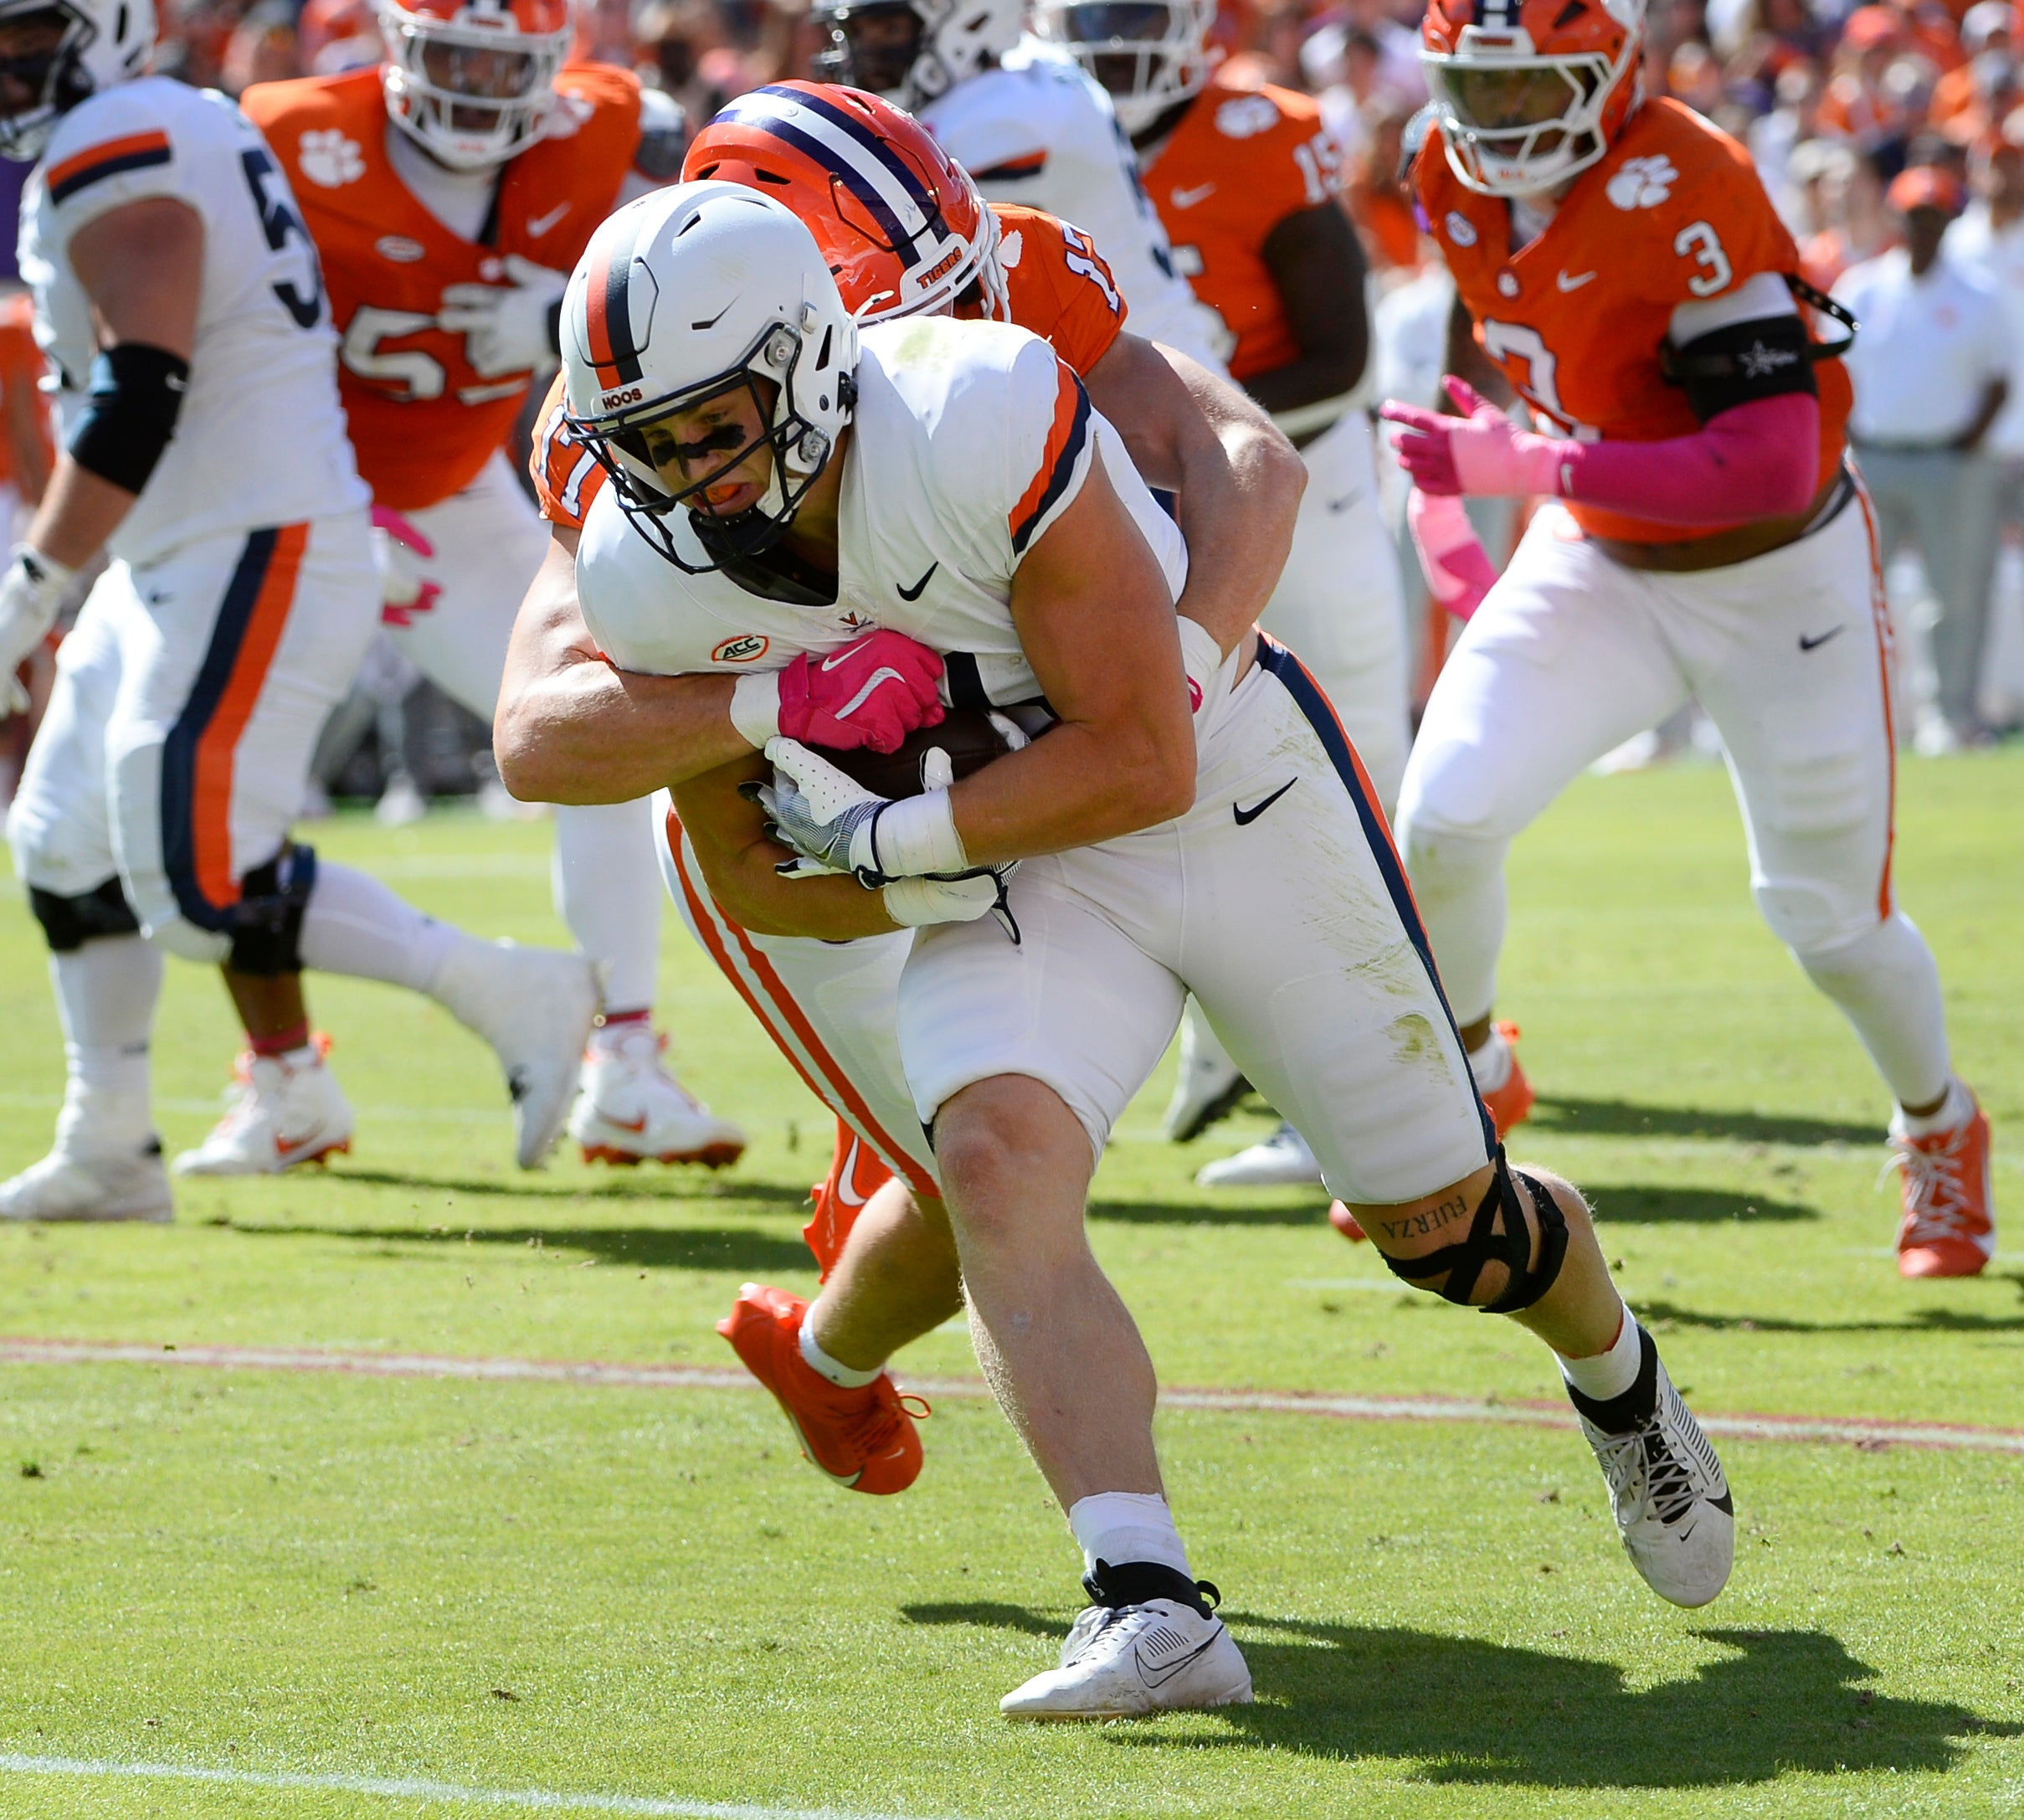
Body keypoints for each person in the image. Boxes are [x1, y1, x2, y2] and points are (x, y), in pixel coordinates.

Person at [537, 177, 1735, 1718]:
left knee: (1449, 1227)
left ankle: (1618, 1376)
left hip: (1214, 786)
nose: (690, 479)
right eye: (646, 444)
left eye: (715, 427)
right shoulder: (650, 569)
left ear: (813, 363)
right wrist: (842, 809)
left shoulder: (972, 407)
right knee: (988, 1155)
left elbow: (1141, 756)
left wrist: (897, 830)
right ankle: (1147, 1596)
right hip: (1005, 860)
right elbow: (751, 876)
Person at [511, 79, 1300, 1481]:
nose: (940, 338)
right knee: (982, 1166)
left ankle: (818, 1347)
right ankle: (877, 1383)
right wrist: (780, 691)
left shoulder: (1009, 265)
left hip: (1014, 751)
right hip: (801, 818)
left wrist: (1173, 676)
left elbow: (1241, 456)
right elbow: (540, 731)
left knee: (1003, 1145)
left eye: (958, 291)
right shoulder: (636, 409)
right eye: (902, 311)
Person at [1380, 0, 1996, 1279]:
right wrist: (1451, 481)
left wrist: (1528, 459)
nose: (1493, 125)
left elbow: (1765, 463)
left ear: (1609, 78)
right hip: (1597, 548)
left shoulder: (1689, 178)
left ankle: (1937, 1123)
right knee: (1439, 817)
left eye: (1525, 92)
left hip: (1774, 573)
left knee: (1825, 917)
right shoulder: (1439, 164)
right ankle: (1476, 1080)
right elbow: (1489, 330)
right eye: (1471, 91)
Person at [0, 0, 601, 1220]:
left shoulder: (119, 132)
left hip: (248, 540)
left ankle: (507, 989)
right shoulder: (151, 120)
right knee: (61, 839)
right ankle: (109, 1139)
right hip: (189, 544)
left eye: (27, 34)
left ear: (104, 30)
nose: (7, 61)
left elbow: (137, 390)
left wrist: (29, 588)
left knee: (200, 879)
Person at [235, 0, 743, 1172]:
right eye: (447, 53)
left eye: (497, 61)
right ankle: (280, 1079)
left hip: (453, 497)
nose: (470, 84)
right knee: (224, 802)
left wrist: (573, 312)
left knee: (589, 735)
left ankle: (624, 1062)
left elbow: (707, 259)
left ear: (548, 67)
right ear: (393, 47)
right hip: (296, 503)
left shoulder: (606, 125)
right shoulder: (288, 132)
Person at [1033, 0, 1415, 1175]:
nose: (1112, 31)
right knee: (1179, 764)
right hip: (1145, 504)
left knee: (1354, 783)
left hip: (1289, 480)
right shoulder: (1033, 121)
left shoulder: (1261, 127)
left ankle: (1391, 1073)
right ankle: (1235, 1036)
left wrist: (1187, 431)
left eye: (1136, 9)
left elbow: (1339, 352)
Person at [808, 0, 1225, 368]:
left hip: (1145, 393)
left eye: (889, 28)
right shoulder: (1029, 74)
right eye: (857, 31)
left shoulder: (1013, 120)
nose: (865, 50)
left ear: (971, 22)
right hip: (1119, 367)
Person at [1837, 163, 2010, 750]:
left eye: (1934, 219)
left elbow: (1998, 380)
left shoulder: (1980, 295)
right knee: (1854, 592)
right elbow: (1832, 372)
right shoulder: (1861, 287)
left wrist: (1965, 443)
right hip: (1873, 457)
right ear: (1896, 219)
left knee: (1954, 594)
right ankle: (1858, 714)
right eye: (1915, 217)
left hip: (1948, 460)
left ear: (1949, 223)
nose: (1924, 230)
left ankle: (1949, 716)